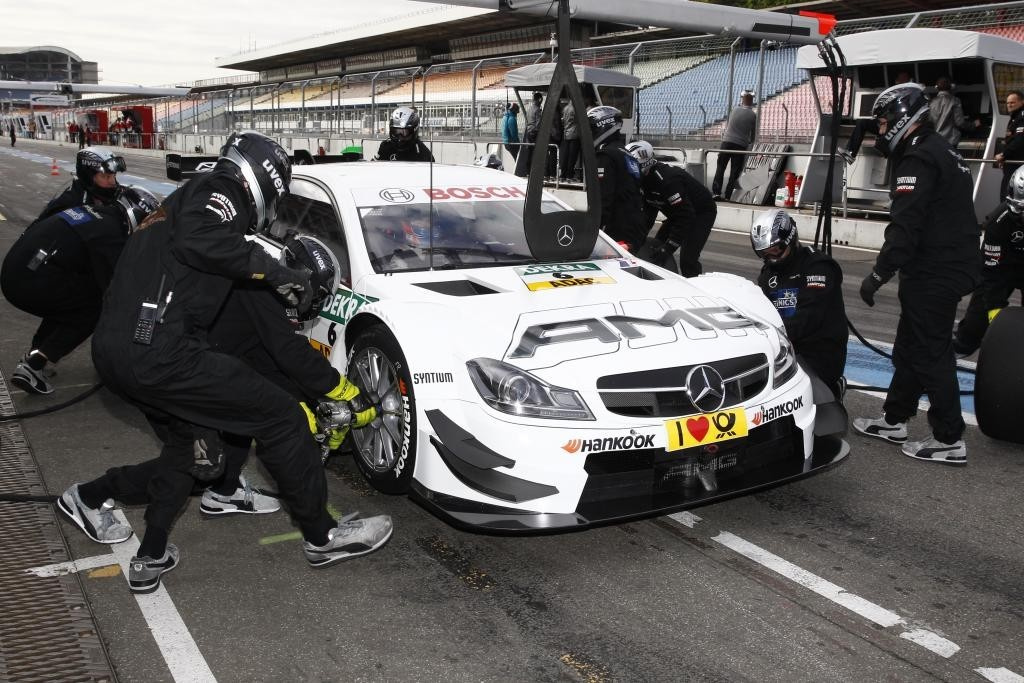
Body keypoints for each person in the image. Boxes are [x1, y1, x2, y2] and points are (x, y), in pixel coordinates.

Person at [64, 130, 391, 593]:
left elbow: (264, 358)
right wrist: (279, 275)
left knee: (198, 455)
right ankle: (323, 536)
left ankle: (140, 541)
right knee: (279, 419)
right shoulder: (220, 190)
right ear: (263, 179)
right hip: (161, 349)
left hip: (122, 349)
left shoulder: (180, 205)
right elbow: (202, 241)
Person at [202, 234, 376, 516]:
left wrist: (310, 400)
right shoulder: (260, 291)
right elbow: (288, 351)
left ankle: (223, 490)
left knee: (241, 425)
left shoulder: (263, 288)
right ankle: (317, 523)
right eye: (318, 294)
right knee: (186, 466)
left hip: (214, 360)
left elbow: (265, 359)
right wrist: (345, 391)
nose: (316, 303)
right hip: (190, 368)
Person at [853, 83, 980, 466]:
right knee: (910, 346)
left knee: (930, 352)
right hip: (945, 265)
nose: (880, 130)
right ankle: (895, 419)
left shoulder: (918, 157)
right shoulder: (944, 150)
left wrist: (878, 274)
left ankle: (949, 439)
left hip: (935, 271)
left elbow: (906, 226)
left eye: (882, 122)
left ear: (901, 117)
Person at [1, 186, 159, 395]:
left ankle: (34, 356)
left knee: (72, 299)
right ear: (135, 214)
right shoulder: (111, 234)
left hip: (19, 270)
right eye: (146, 223)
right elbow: (115, 290)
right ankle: (34, 365)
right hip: (28, 280)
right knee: (94, 307)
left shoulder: (97, 213)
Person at [750, 209, 847, 399]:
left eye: (775, 250)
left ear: (791, 239)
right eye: (764, 253)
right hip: (784, 346)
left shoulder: (818, 267)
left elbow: (810, 317)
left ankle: (832, 388)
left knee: (792, 395)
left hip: (817, 350)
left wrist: (773, 338)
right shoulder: (768, 274)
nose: (771, 257)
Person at [953, 165, 1024, 356]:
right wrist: (994, 312)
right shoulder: (998, 221)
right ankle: (963, 344)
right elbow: (990, 273)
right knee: (979, 314)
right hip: (1003, 267)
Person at [626, 140, 717, 277]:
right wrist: (637, 240)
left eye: (632, 165)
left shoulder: (667, 181)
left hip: (700, 212)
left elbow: (686, 216)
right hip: (678, 212)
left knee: (687, 259)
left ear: (644, 165)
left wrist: (668, 247)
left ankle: (694, 283)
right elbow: (648, 214)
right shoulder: (643, 180)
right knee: (655, 247)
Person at [587, 105, 646, 251]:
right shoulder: (628, 154)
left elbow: (603, 199)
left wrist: (593, 231)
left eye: (592, 129)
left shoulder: (606, 156)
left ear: (603, 126)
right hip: (633, 229)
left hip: (615, 233)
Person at [36, 147, 126, 223]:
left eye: (114, 176)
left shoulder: (110, 196)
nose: (112, 182)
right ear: (88, 177)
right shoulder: (70, 204)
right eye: (105, 176)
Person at [712, 89, 756, 200]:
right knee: (734, 172)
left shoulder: (735, 110)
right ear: (752, 101)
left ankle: (716, 193)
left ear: (742, 100)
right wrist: (749, 142)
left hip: (727, 142)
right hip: (740, 145)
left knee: (720, 168)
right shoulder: (753, 115)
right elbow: (752, 136)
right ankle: (728, 196)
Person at [928, 76, 979, 147]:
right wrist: (973, 125)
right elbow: (960, 123)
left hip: (936, 140)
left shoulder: (931, 102)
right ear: (952, 87)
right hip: (950, 140)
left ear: (936, 87)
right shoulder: (955, 100)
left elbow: (930, 122)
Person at [996, 90, 1024, 199]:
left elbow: (1020, 140)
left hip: (1017, 164)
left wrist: (1003, 154)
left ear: (1022, 102)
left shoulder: (1021, 117)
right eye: (1007, 103)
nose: (1009, 105)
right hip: (1011, 163)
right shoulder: (1014, 117)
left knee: (1007, 196)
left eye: (1012, 102)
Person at [514, 91, 545, 177]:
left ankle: (528, 171)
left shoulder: (529, 109)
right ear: (539, 99)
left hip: (528, 131)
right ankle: (534, 171)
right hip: (535, 132)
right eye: (541, 100)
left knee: (530, 152)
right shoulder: (537, 110)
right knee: (536, 153)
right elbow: (538, 123)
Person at [560, 99, 581, 181]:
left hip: (566, 134)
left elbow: (563, 121)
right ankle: (569, 176)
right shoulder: (575, 109)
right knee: (572, 156)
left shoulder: (565, 108)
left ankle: (563, 175)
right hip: (574, 134)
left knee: (565, 156)